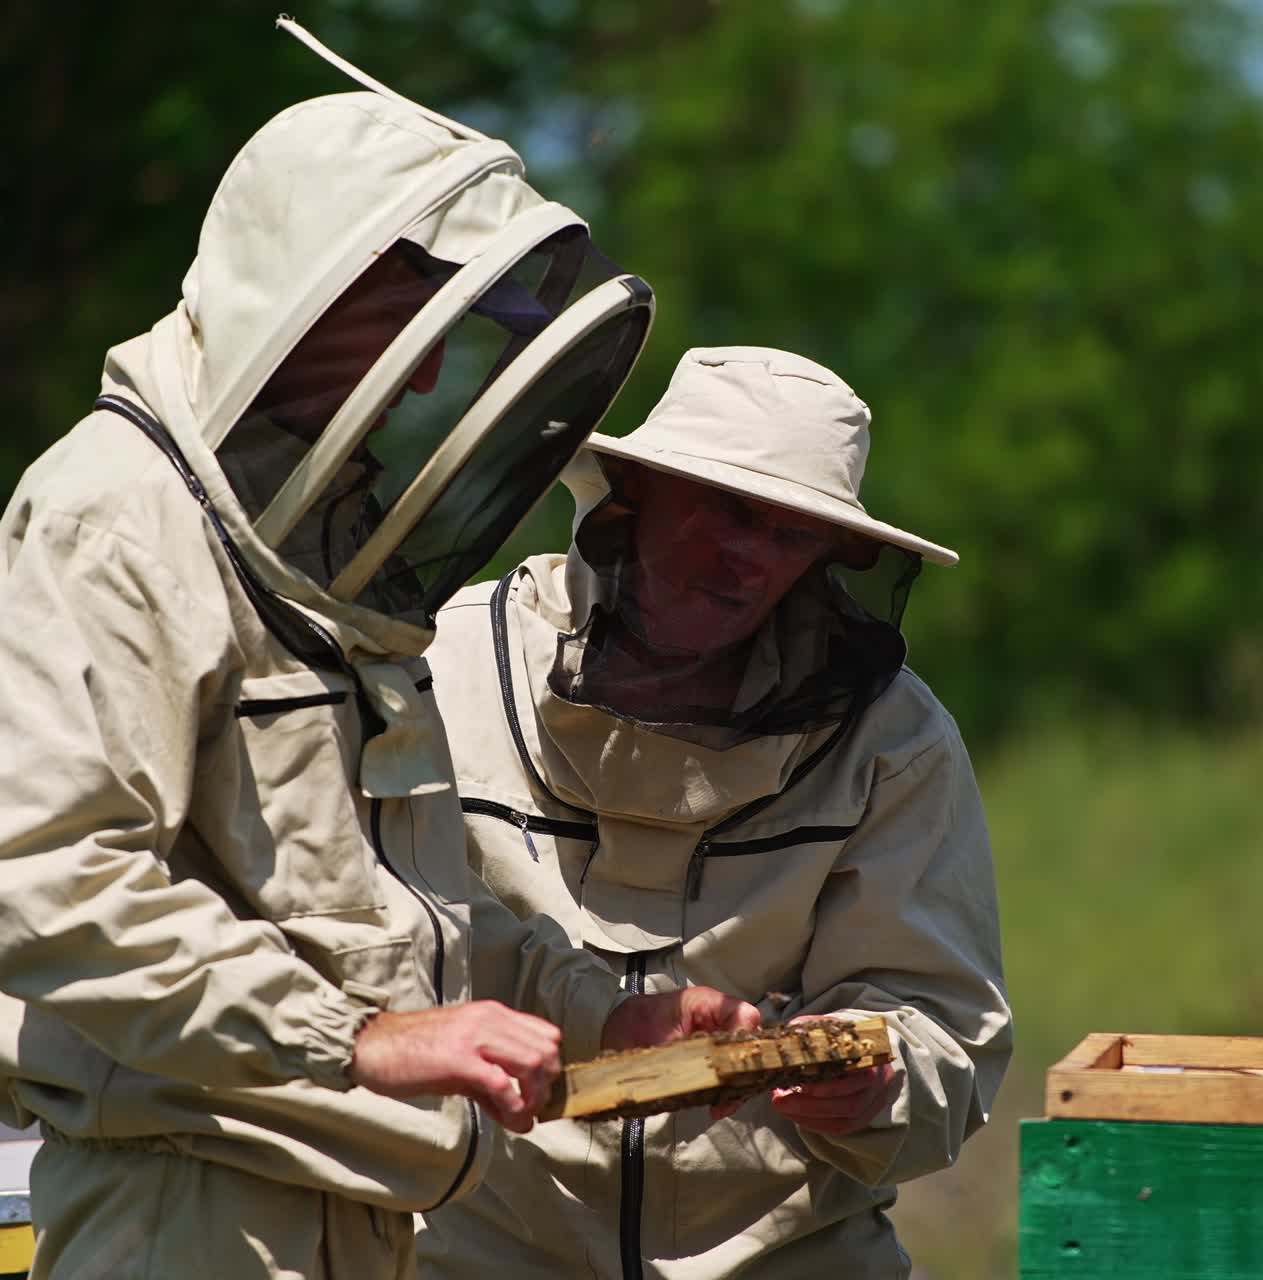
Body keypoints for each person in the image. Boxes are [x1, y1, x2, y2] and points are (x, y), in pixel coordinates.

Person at [0, 29, 757, 1280]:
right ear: (304, 279)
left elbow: (386, 897)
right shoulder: (111, 513)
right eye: (399, 311)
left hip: (352, 1208)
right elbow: (38, 875)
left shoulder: (317, 539)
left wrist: (597, 1015)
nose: (414, 378)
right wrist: (356, 1035)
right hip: (187, 1214)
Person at [417, 346, 1013, 1279]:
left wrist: (879, 1084)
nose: (749, 560)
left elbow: (942, 1019)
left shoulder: (893, 740)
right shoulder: (437, 673)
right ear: (636, 491)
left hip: (787, 1256)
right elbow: (374, 941)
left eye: (791, 534)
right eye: (730, 510)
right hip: (472, 1245)